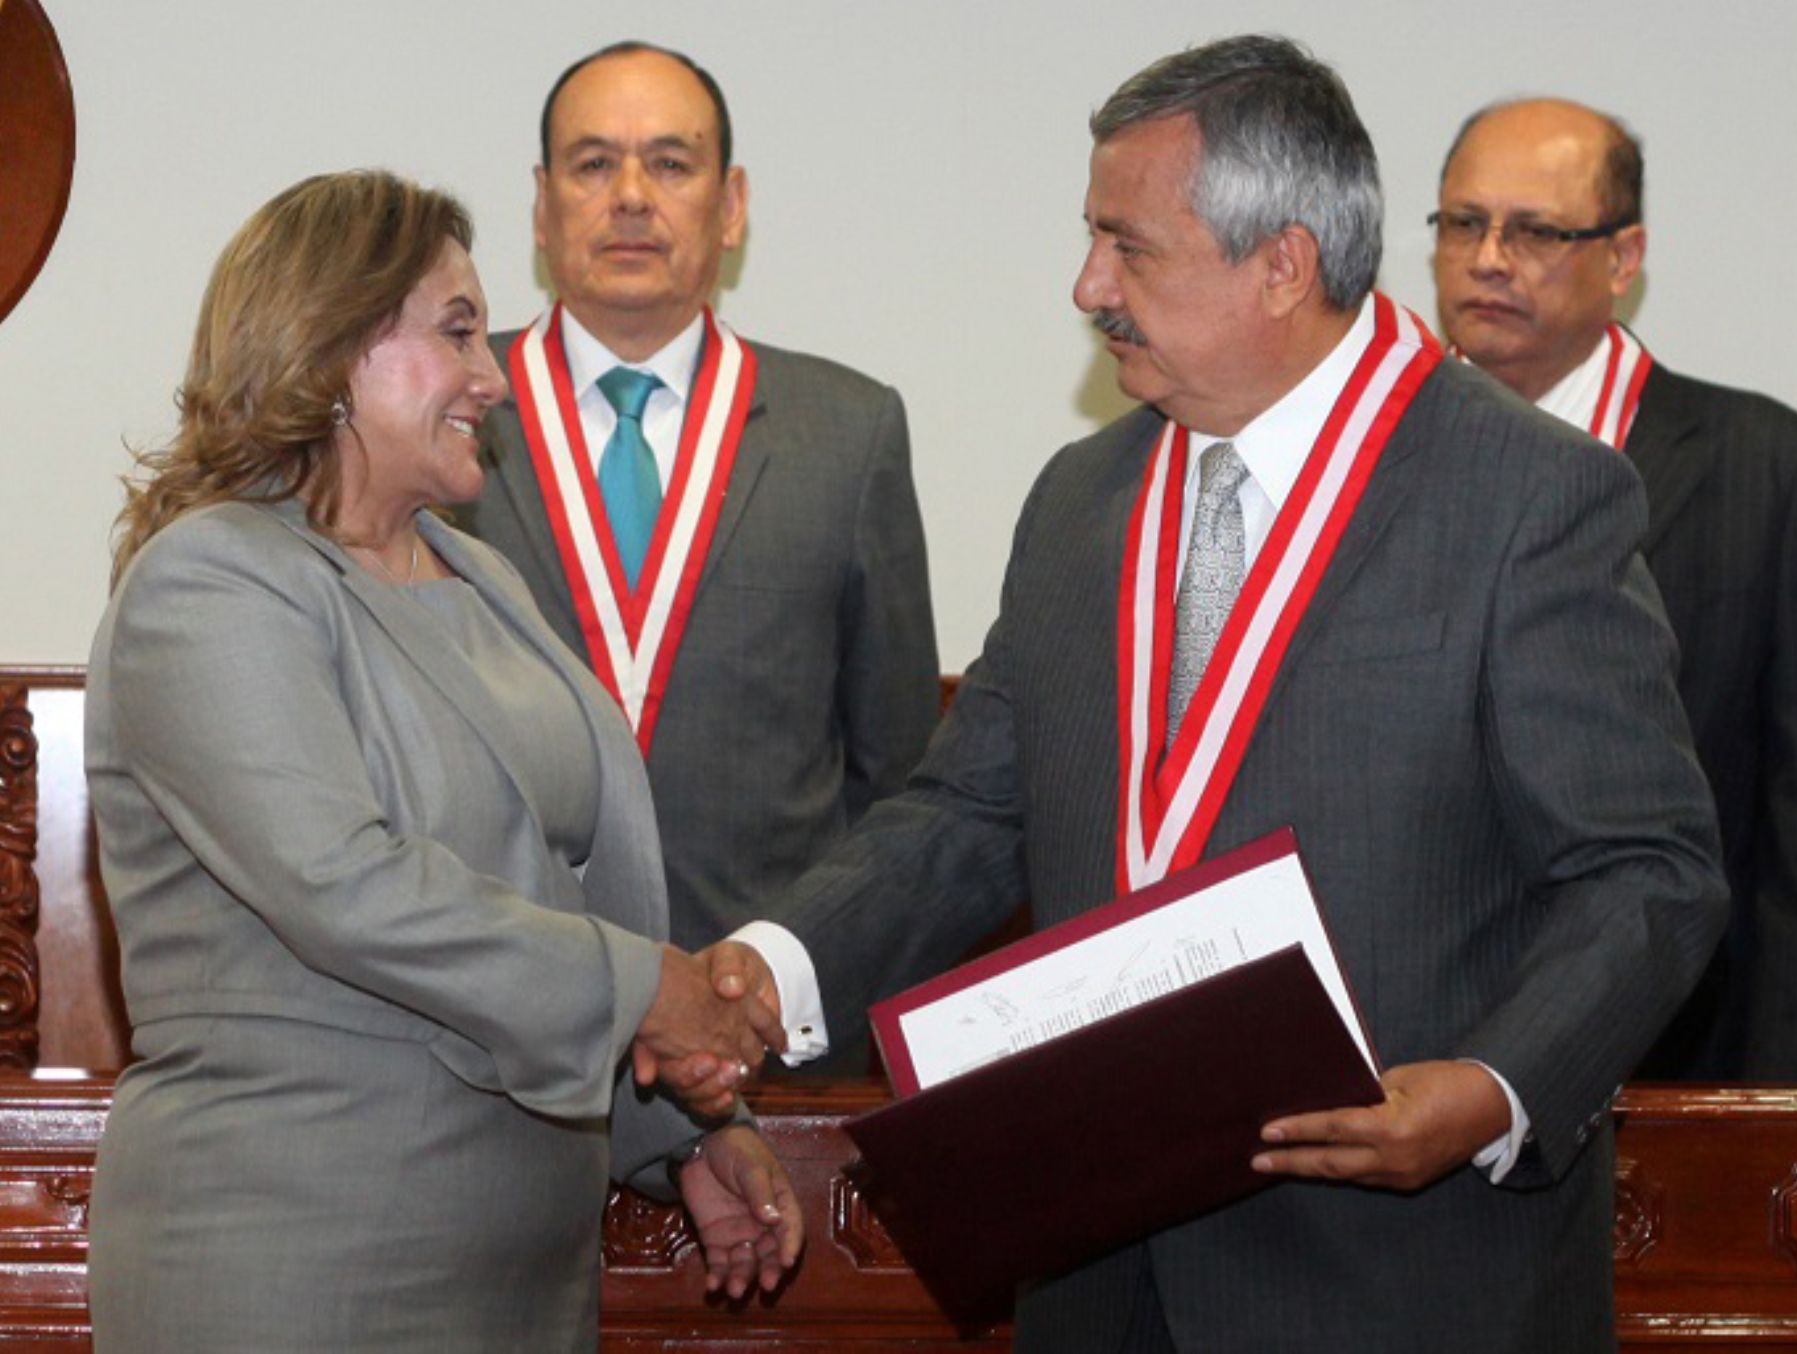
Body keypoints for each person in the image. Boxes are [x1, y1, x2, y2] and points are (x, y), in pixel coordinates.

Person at [710, 36, 1726, 1351]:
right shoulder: (1084, 499)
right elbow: (963, 812)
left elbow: (1649, 867)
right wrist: (761, 970)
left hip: (1402, 1281)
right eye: (1092, 239)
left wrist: (1489, 1086)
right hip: (1099, 1270)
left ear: (1283, 263)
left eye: (1128, 246)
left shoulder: (1527, 496)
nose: (1086, 284)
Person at [83, 170, 801, 1354]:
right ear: (328, 345)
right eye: (458, 330)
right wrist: (649, 991)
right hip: (294, 1265)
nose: (496, 374)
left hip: (523, 1277)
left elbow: (554, 884)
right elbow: (347, 886)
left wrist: (676, 1135)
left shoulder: (480, 576)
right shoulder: (209, 581)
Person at [454, 42, 939, 1070]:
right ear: (540, 209)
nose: (631, 196)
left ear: (731, 206)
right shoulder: (445, 412)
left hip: (766, 1040)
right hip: (493, 1044)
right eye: (593, 165)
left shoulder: (847, 433)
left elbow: (893, 777)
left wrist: (789, 977)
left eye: (671, 163)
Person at [1433, 97, 1797, 1079]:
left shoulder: (1760, 463)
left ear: (1624, 258)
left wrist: (1772, 1100)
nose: (1489, 258)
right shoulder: (1372, 467)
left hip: (1684, 1056)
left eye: (1536, 231)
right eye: (1463, 223)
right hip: (1421, 1056)